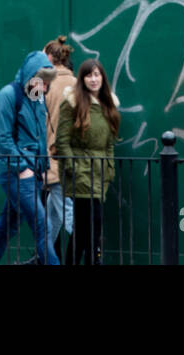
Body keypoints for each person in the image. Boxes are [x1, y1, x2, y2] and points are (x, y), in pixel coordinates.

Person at [0, 50, 60, 265]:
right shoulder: (7, 95)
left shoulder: (35, 97)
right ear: (31, 75)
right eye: (42, 81)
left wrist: (42, 167)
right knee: (43, 226)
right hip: (16, 173)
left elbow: (39, 135)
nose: (45, 87)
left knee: (7, 227)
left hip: (32, 173)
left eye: (47, 83)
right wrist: (23, 169)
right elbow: (3, 139)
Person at [56, 59, 120, 265]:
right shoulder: (72, 103)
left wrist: (110, 169)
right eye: (89, 75)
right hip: (81, 174)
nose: (94, 79)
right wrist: (74, 168)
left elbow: (110, 143)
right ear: (82, 79)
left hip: (100, 173)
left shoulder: (109, 104)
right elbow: (62, 141)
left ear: (103, 77)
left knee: (83, 231)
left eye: (97, 75)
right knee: (92, 227)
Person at [41, 36, 77, 261]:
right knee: (51, 216)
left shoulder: (41, 81)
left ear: (50, 58)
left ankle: (93, 252)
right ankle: (42, 256)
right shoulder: (77, 83)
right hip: (74, 160)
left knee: (68, 215)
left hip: (53, 159)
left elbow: (31, 113)